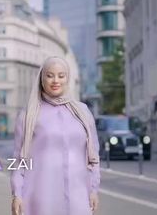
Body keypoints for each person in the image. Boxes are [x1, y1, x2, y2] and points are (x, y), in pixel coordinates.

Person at [10, 56, 100, 215]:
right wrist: (17, 193)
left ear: (67, 78)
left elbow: (93, 157)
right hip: (40, 197)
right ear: (41, 79)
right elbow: (18, 160)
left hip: (78, 195)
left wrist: (93, 189)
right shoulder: (28, 115)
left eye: (61, 75)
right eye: (49, 75)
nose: (55, 80)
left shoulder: (83, 112)